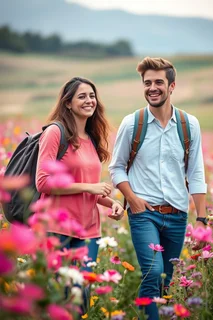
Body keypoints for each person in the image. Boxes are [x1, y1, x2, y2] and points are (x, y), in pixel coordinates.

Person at [109, 57, 207, 320]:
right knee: (152, 273)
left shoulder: (189, 125)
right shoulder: (133, 123)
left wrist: (202, 219)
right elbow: (116, 167)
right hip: (144, 214)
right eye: (147, 82)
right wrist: (132, 198)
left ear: (172, 86)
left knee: (166, 281)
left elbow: (196, 173)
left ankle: (147, 313)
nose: (152, 87)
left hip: (177, 216)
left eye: (158, 82)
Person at [36, 76, 124, 312]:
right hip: (58, 228)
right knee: (62, 297)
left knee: (81, 298)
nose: (89, 101)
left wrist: (111, 202)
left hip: (88, 231)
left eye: (92, 96)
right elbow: (43, 182)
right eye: (82, 96)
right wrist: (89, 187)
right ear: (67, 103)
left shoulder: (91, 139)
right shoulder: (55, 133)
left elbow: (89, 189)